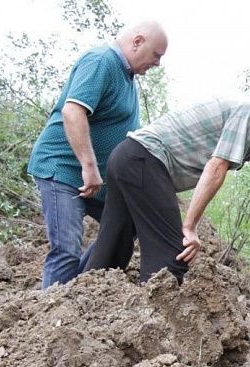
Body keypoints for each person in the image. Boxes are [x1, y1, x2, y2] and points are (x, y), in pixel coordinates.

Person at [84, 81, 250, 283]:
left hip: (129, 156)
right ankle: (150, 326)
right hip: (144, 159)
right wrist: (189, 226)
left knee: (112, 249)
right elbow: (216, 167)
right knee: (173, 257)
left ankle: (81, 309)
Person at [27, 21, 168, 289]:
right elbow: (73, 111)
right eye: (156, 55)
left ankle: (82, 288)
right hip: (65, 171)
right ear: (137, 42)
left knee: (128, 222)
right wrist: (89, 166)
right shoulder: (102, 61)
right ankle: (52, 314)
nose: (157, 64)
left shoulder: (127, 77)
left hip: (96, 182)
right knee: (66, 250)